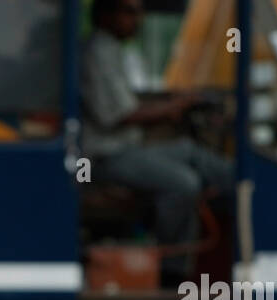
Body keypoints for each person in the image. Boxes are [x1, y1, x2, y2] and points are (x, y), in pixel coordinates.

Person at [81, 0, 234, 284]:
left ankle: (246, 211)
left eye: (140, 12)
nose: (138, 19)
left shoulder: (113, 50)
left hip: (126, 147)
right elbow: (120, 116)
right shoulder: (97, 52)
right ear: (104, 14)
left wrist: (176, 104)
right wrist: (175, 107)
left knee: (193, 154)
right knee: (183, 183)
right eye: (129, 11)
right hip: (101, 158)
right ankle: (172, 275)